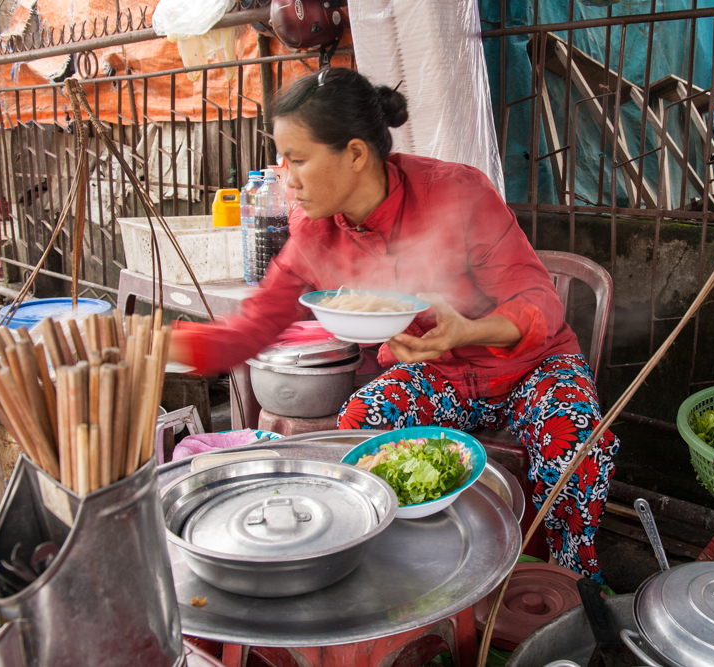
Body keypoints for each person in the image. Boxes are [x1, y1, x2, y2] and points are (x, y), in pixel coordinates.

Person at [171, 67, 619, 581]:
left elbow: (538, 300)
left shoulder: (455, 193)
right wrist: (150, 349)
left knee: (576, 436)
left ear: (356, 154)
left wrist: (467, 331)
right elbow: (252, 327)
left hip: (531, 365)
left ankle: (566, 582)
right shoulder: (315, 234)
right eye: (282, 160)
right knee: (361, 424)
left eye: (297, 160)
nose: (286, 179)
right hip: (443, 372)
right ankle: (419, 568)